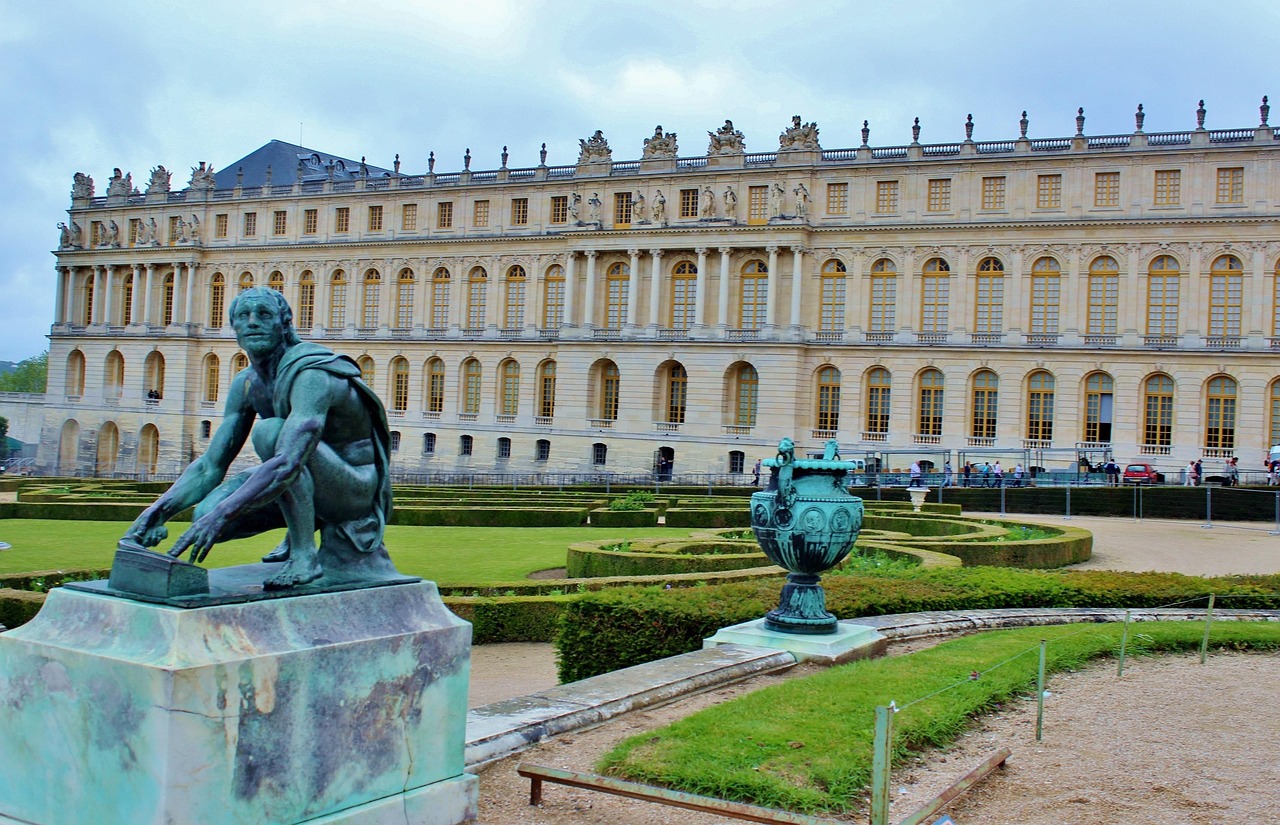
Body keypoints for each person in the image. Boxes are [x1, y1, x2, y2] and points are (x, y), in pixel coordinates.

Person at [123, 287, 394, 590]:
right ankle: (302, 527)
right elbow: (210, 466)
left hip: (354, 490)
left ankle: (304, 555)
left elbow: (288, 461)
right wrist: (158, 511)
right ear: (235, 328)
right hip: (304, 473)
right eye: (244, 316)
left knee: (271, 433)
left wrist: (224, 513)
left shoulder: (311, 375)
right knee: (204, 513)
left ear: (285, 324)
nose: (252, 322)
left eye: (264, 314)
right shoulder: (247, 383)